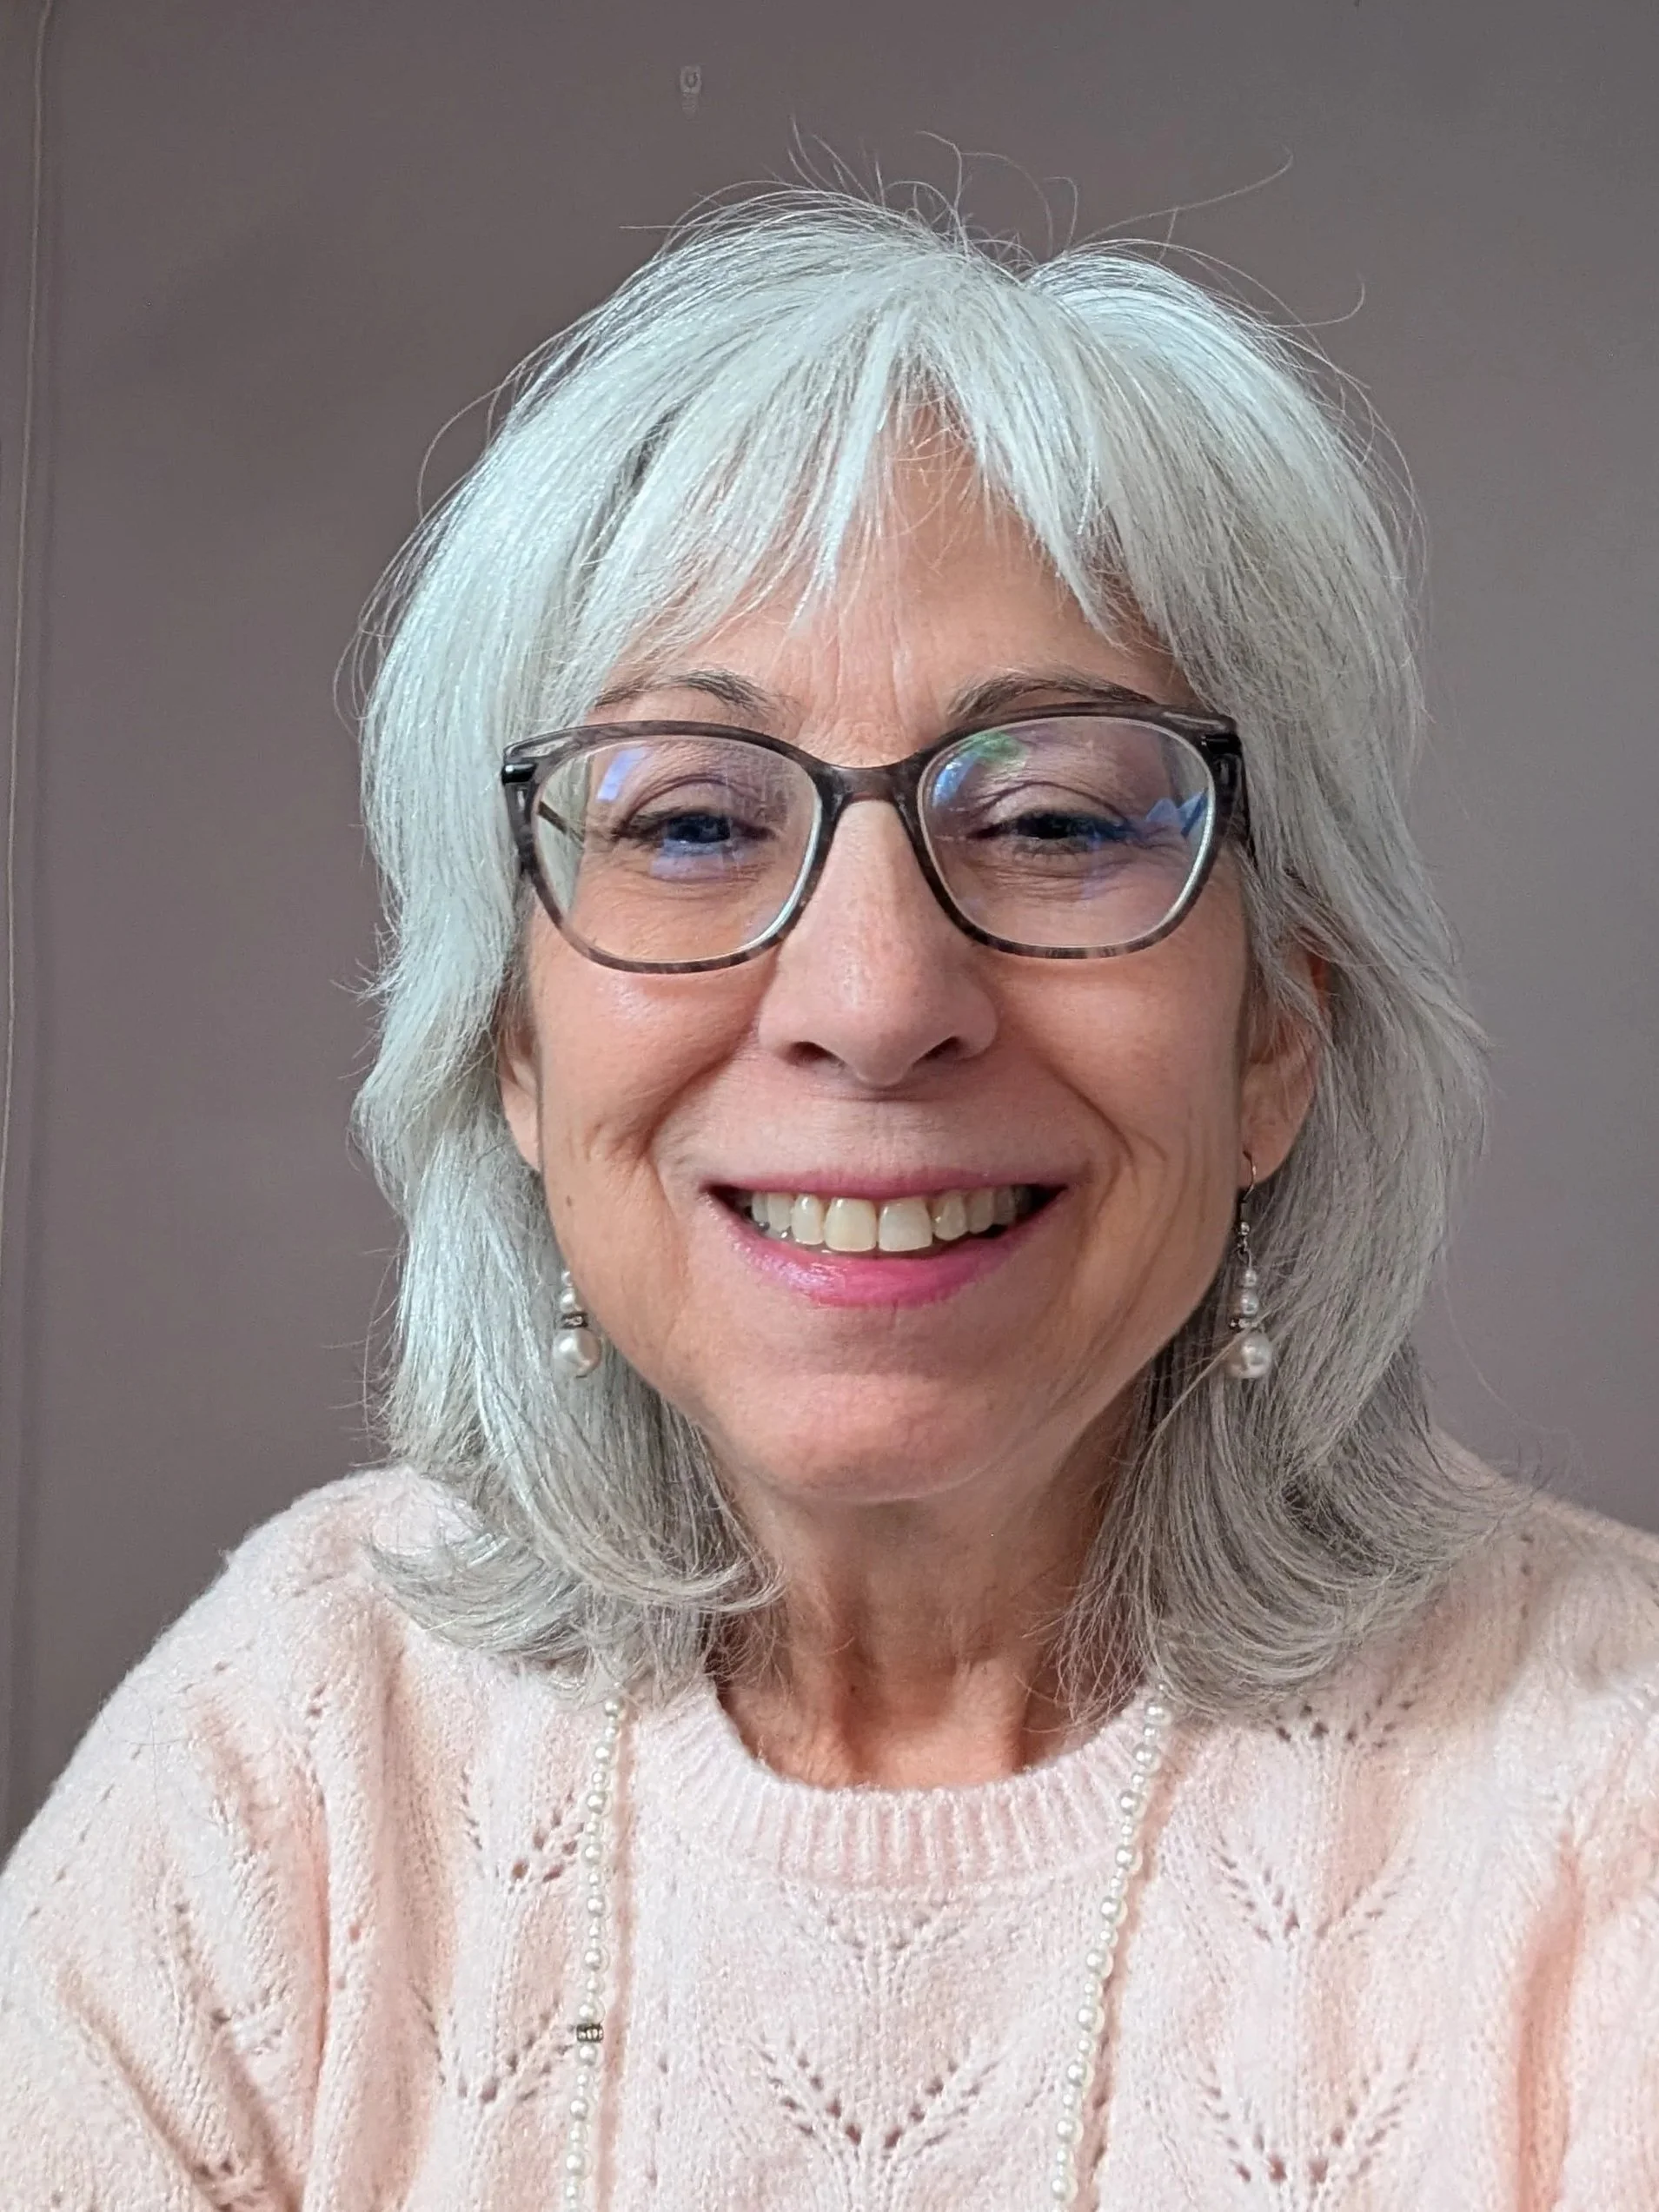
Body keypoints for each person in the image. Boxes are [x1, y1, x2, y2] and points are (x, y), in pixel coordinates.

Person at [2, 185, 1655, 2209]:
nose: (874, 1002)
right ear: (515, 1042)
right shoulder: (299, 1753)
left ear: (1272, 1039)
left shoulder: (1615, 1808)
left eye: (1054, 818)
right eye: (695, 820)